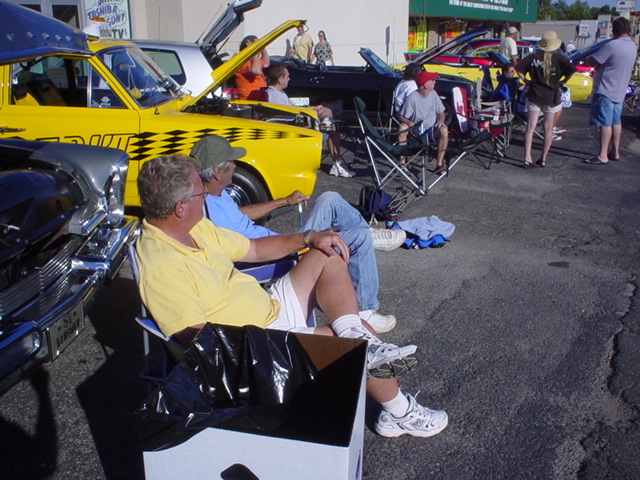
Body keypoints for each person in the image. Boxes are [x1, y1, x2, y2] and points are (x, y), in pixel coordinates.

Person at [135, 153, 449, 438]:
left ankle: (352, 331)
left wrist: (308, 237)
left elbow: (254, 248)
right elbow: (198, 342)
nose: (206, 198)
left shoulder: (195, 228)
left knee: (325, 253)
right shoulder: (161, 265)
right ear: (180, 207)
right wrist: (278, 345)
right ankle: (400, 413)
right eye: (201, 194)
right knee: (361, 342)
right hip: (256, 344)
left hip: (268, 306)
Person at [191, 135, 406, 333]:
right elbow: (242, 250)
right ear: (218, 172)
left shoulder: (217, 194)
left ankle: (367, 233)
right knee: (358, 239)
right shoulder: (206, 211)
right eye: (231, 163)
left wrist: (284, 201)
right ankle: (365, 309)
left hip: (281, 240)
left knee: (329, 199)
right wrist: (307, 238)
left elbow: (239, 214)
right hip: (280, 250)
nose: (235, 165)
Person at [266, 64, 354, 178]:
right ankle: (337, 164)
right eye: (287, 76)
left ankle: (326, 124)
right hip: (297, 127)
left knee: (325, 111)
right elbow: (289, 114)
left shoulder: (278, 92)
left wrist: (312, 108)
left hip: (297, 120)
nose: (289, 78)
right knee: (334, 129)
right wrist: (310, 113)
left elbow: (292, 109)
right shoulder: (274, 96)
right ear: (280, 79)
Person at [515, 30, 575, 168]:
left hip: (534, 94)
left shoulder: (533, 56)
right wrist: (563, 81)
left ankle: (527, 157)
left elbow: (518, 69)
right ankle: (543, 158)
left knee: (530, 127)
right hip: (551, 95)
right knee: (548, 129)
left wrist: (527, 81)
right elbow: (572, 70)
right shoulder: (560, 58)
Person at [584, 17, 637, 165]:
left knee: (604, 123)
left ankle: (602, 155)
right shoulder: (632, 46)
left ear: (614, 30)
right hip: (620, 89)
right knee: (616, 121)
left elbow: (592, 61)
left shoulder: (612, 45)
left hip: (606, 88)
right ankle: (615, 151)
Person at [396, 70, 449, 176]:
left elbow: (441, 112)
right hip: (416, 131)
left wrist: (441, 121)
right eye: (433, 80)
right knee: (402, 127)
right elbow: (401, 117)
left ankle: (439, 164)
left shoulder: (433, 94)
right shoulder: (412, 97)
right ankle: (402, 163)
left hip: (430, 130)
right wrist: (408, 122)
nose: (435, 82)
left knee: (444, 129)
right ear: (425, 84)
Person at [234, 35, 269, 101]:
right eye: (257, 46)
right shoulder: (242, 62)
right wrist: (253, 50)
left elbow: (266, 64)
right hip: (249, 100)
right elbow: (256, 71)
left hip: (259, 99)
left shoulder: (254, 61)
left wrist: (263, 47)